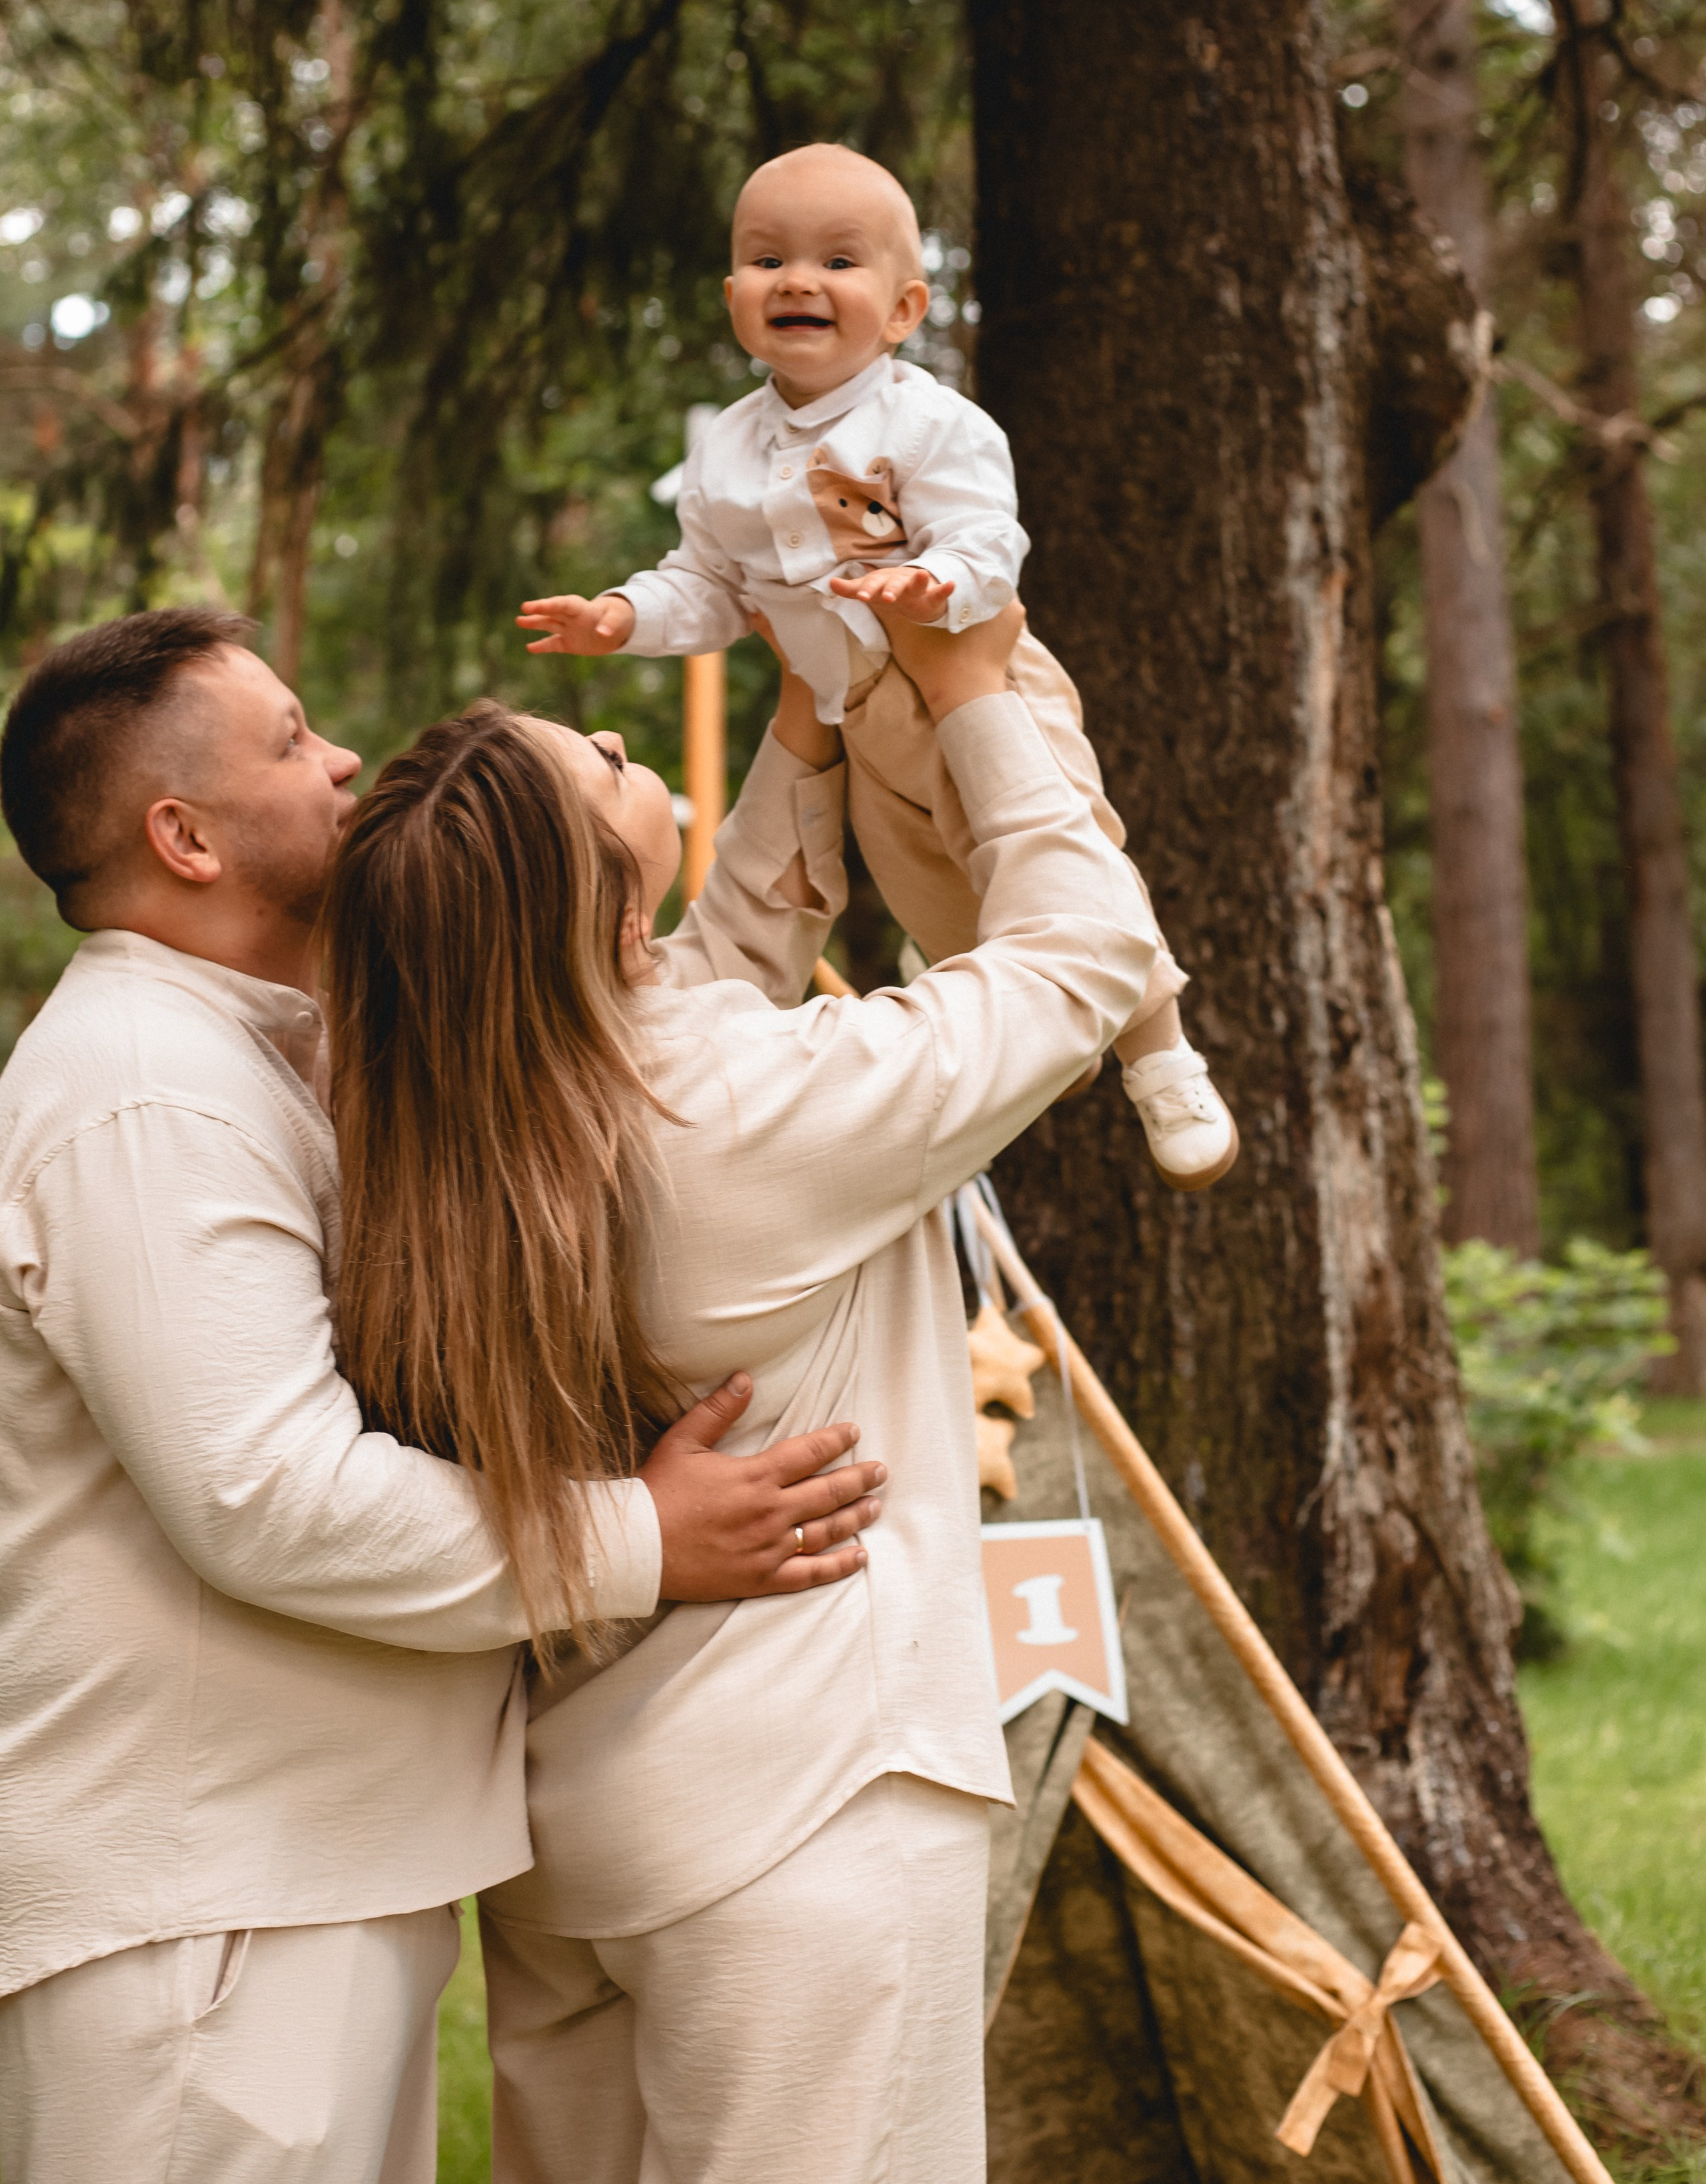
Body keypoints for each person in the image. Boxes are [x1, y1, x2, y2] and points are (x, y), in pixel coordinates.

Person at [0, 606, 885, 2184]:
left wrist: (802, 742)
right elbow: (265, 1493)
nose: (341, 758)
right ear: (183, 835)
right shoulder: (142, 1089)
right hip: (206, 1923)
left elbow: (627, 995)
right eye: (288, 741)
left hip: (299, 1890)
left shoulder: (291, 1046)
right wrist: (638, 1540)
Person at [321, 598, 1159, 2184]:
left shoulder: (453, 1142)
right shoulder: (739, 1119)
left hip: (583, 1834)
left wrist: (799, 723)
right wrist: (978, 702)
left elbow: (705, 972)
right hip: (802, 1816)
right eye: (608, 759)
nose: (632, 739)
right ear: (602, 913)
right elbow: (1086, 957)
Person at [515, 139, 1236, 1191]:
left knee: (1059, 843)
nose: (798, 280)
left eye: (838, 262)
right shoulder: (726, 452)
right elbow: (710, 585)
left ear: (903, 310)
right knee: (929, 888)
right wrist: (625, 616)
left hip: (979, 683)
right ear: (733, 298)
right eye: (767, 260)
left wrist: (936, 582)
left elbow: (992, 541)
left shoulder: (931, 423)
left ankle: (1160, 1053)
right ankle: (1043, 1039)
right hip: (855, 716)